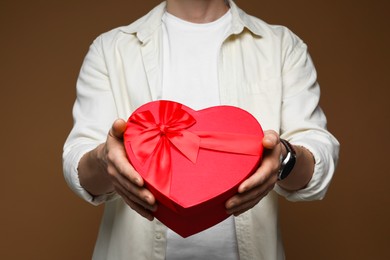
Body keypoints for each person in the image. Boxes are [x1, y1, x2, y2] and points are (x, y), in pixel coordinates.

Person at [63, 0, 340, 259]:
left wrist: (284, 159)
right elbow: (79, 165)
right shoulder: (111, 48)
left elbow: (318, 159)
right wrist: (104, 159)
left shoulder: (281, 46)